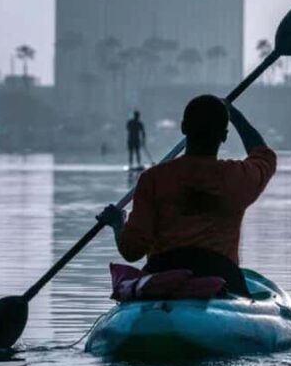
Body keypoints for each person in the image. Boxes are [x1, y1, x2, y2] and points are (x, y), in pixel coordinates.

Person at [99, 95, 276, 297]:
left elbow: (132, 251)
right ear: (225, 135)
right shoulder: (237, 177)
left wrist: (117, 223)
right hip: (221, 277)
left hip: (162, 277)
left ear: (183, 128)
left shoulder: (153, 179)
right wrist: (235, 116)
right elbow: (264, 156)